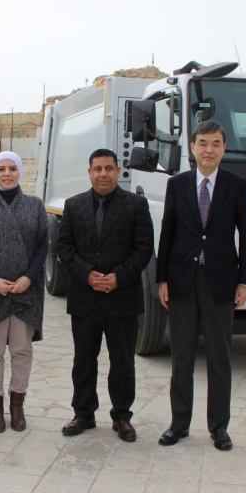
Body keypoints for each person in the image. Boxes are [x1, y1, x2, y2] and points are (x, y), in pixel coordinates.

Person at [156, 119, 246, 450]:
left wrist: (245, 281)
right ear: (193, 147)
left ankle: (219, 427)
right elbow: (168, 232)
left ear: (224, 148)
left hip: (221, 281)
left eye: (215, 143)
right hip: (182, 280)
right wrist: (162, 278)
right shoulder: (177, 184)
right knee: (181, 358)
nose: (208, 149)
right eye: (203, 143)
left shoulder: (236, 185)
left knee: (219, 358)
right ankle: (178, 424)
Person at [56, 148, 154, 442]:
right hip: (85, 299)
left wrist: (117, 277)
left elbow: (143, 249)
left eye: (109, 168)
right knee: (83, 361)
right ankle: (83, 413)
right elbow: (64, 248)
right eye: (97, 169)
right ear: (89, 173)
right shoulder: (73, 206)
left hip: (122, 298)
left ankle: (122, 416)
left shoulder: (136, 205)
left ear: (118, 171)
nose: (103, 174)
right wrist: (87, 275)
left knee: (123, 362)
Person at [0, 151, 48, 433]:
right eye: (1, 169)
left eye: (12, 169)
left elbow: (43, 245)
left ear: (19, 172)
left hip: (26, 291)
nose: (7, 174)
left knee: (21, 350)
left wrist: (28, 277)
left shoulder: (35, 206)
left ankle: (17, 406)